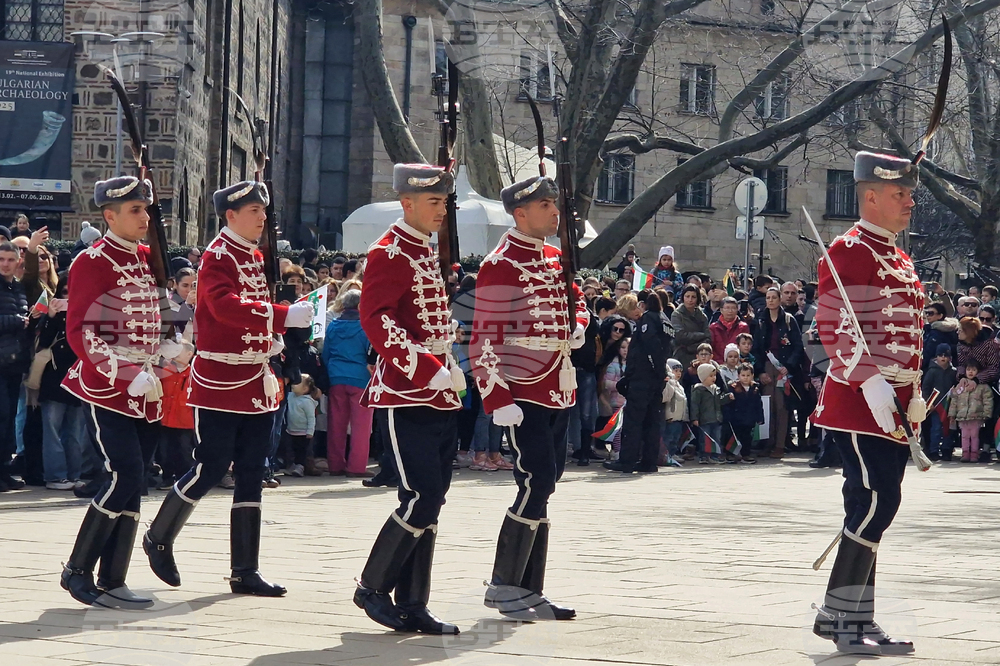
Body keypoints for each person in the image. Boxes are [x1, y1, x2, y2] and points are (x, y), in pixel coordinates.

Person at [143, 179, 314, 598]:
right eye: (254, 212)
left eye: (263, 211)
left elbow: (239, 316)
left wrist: (268, 342)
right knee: (211, 466)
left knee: (253, 472)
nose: (262, 219)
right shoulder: (220, 255)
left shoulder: (253, 255)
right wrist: (280, 316)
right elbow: (222, 305)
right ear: (232, 216)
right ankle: (159, 536)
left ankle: (245, 569)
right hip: (220, 380)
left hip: (255, 378)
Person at [810, 151, 926, 655]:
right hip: (860, 400)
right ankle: (840, 617)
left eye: (909, 192)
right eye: (900, 194)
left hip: (896, 402)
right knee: (877, 501)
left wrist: (910, 392)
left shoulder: (898, 255)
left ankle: (855, 618)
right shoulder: (848, 250)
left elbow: (909, 334)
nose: (910, 201)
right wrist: (870, 381)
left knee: (871, 504)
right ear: (872, 196)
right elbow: (833, 328)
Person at [471, 172, 588, 622]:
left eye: (553, 204)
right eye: (544, 206)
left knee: (547, 481)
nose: (555, 211)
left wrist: (578, 322)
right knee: (535, 481)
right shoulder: (501, 264)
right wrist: (496, 396)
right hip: (523, 388)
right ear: (520, 214)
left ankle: (528, 589)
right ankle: (505, 584)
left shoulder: (556, 256)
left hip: (558, 384)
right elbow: (483, 335)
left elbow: (574, 298)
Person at [353, 163, 464, 635]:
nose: (441, 210)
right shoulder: (390, 252)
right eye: (434, 202)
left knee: (432, 499)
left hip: (440, 387)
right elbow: (375, 319)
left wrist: (447, 362)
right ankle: (373, 587)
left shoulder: (424, 250)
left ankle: (414, 601)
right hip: (406, 389)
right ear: (407, 203)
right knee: (420, 494)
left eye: (444, 201)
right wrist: (425, 367)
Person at [59, 175, 174, 609]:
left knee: (136, 479)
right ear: (109, 216)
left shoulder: (147, 257)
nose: (145, 217)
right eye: (135, 210)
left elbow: (168, 313)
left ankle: (114, 577)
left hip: (149, 386)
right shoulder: (93, 261)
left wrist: (173, 343)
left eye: (145, 209)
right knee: (122, 473)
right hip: (107, 386)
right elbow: (81, 332)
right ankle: (77, 570)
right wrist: (125, 373)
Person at [605, 292, 674, 473]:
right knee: (652, 422)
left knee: (633, 421)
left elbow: (649, 349)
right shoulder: (666, 321)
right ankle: (649, 462)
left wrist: (631, 376)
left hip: (643, 378)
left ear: (643, 304)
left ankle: (627, 460)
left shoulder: (648, 320)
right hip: (656, 379)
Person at [322, 288, 375, 477]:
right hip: (361, 378)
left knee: (336, 424)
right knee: (361, 426)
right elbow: (370, 354)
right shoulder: (365, 327)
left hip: (336, 376)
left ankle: (335, 465)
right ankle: (356, 467)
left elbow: (326, 354)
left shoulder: (333, 325)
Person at [752, 287, 803, 459]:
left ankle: (780, 445)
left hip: (783, 368)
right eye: (768, 297)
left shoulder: (789, 320)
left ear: (780, 299)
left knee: (782, 406)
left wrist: (789, 366)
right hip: (767, 366)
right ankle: (768, 443)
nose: (771, 300)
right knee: (768, 406)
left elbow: (797, 346)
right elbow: (756, 348)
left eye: (774, 297)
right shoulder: (760, 320)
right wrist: (759, 372)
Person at [0, 241, 29, 492]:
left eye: (10, 260)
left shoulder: (18, 288)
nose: (6, 264)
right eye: (1, 259)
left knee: (9, 420)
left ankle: (4, 471)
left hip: (14, 362)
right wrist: (17, 321)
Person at [689, 362, 732, 463]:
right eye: (711, 376)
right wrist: (694, 418)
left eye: (715, 375)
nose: (714, 378)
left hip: (716, 419)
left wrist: (727, 398)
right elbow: (694, 405)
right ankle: (704, 456)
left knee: (717, 438)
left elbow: (719, 401)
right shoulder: (698, 390)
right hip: (704, 420)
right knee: (705, 439)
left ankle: (715, 456)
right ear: (703, 376)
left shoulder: (715, 389)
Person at [921, 344, 956, 461]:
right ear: (936, 356)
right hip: (936, 406)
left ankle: (946, 449)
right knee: (936, 428)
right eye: (940, 355)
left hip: (950, 405)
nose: (943, 358)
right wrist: (928, 402)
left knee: (949, 429)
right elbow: (925, 388)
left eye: (946, 355)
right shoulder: (931, 371)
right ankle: (933, 450)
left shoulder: (953, 372)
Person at [723, 363, 762, 464]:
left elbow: (758, 404)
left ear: (752, 375)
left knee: (747, 437)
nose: (745, 378)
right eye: (743, 375)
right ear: (738, 375)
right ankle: (730, 454)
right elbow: (728, 404)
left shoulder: (755, 388)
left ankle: (746, 455)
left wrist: (760, 417)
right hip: (736, 418)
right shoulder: (734, 387)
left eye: (748, 375)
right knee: (733, 437)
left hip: (749, 418)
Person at [284, 374, 319, 476]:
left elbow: (311, 418)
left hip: (304, 432)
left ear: (305, 388)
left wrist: (310, 431)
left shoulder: (307, 402)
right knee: (292, 450)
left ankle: (302, 467)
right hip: (291, 430)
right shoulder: (290, 396)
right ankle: (293, 466)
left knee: (304, 451)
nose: (294, 384)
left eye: (298, 382)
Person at [671, 285, 710, 369]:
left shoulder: (702, 316)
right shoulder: (677, 315)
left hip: (699, 355)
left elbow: (708, 337)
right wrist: (701, 335)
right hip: (682, 354)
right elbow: (680, 336)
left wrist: (694, 347)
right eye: (687, 296)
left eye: (693, 297)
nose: (690, 300)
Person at [710, 297, 750, 363]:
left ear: (737, 310)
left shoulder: (743, 327)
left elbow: (745, 347)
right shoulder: (713, 327)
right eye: (727, 308)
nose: (730, 311)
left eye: (733, 308)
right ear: (721, 310)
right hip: (718, 363)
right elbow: (711, 348)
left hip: (738, 363)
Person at [921, 303, 958, 372]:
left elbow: (929, 353)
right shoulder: (930, 329)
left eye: (931, 313)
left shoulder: (938, 331)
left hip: (933, 369)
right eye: (926, 313)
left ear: (940, 316)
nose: (928, 316)